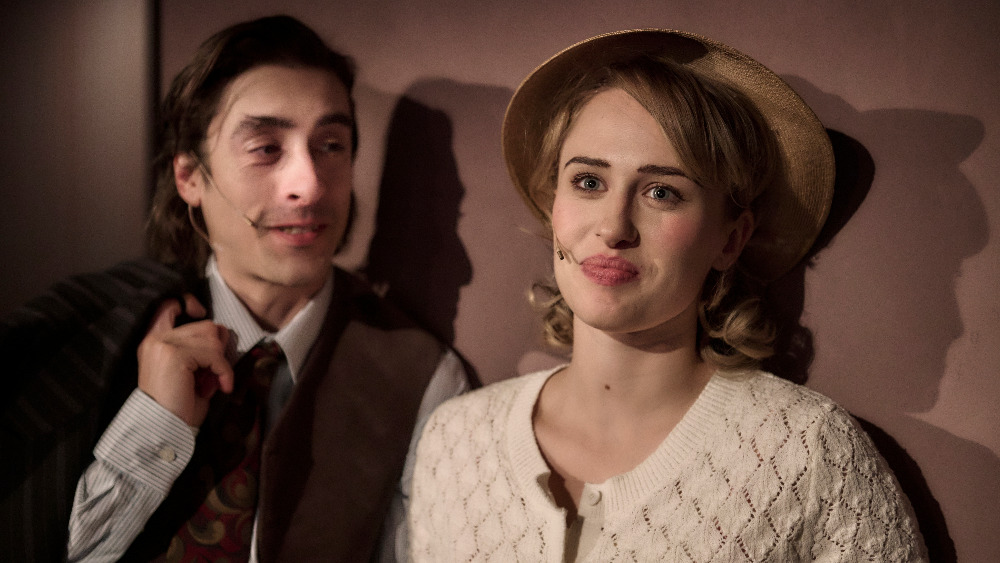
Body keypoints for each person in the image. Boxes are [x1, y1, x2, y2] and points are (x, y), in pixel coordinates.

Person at [408, 29, 927, 561]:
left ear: (731, 240)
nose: (613, 227)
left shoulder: (809, 454)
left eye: (662, 192)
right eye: (588, 182)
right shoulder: (456, 441)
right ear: (551, 206)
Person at [0, 15, 467, 562]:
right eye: (266, 148)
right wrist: (156, 420)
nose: (309, 184)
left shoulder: (419, 375)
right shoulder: (88, 335)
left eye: (331, 145)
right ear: (190, 178)